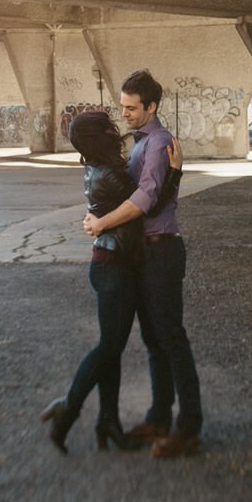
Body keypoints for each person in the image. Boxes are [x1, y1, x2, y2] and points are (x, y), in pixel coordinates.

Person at [39, 110, 182, 453]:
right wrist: (174, 173)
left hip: (115, 264)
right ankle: (68, 409)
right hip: (113, 268)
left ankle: (109, 421)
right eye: (107, 128)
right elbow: (147, 205)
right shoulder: (111, 176)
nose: (114, 129)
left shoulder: (98, 169)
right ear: (99, 137)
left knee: (112, 347)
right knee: (108, 348)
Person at [83, 68, 203, 458]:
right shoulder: (142, 143)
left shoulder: (159, 142)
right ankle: (158, 419)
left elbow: (147, 198)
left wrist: (101, 222)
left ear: (152, 107)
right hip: (145, 252)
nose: (126, 115)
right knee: (154, 340)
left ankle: (188, 428)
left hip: (162, 250)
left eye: (132, 108)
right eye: (123, 107)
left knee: (170, 337)